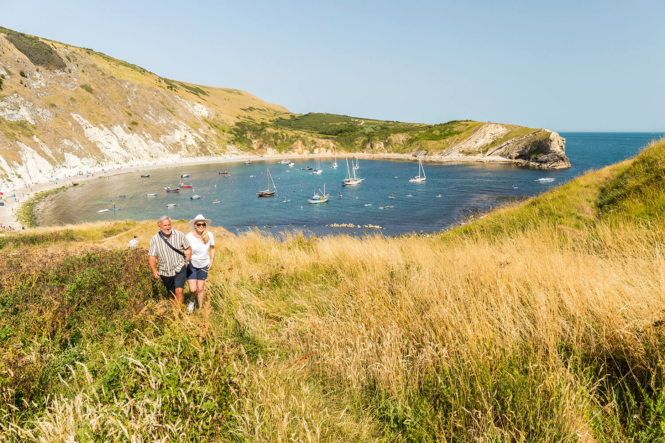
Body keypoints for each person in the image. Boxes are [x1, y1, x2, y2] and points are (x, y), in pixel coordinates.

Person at [148, 216, 191, 304]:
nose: (168, 227)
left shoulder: (179, 235)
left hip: (180, 267)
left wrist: (186, 262)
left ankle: (179, 313)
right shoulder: (155, 239)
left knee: (179, 291)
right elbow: (152, 256)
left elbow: (189, 248)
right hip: (165, 271)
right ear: (159, 226)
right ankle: (174, 310)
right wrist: (154, 270)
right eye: (165, 225)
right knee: (171, 294)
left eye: (169, 225)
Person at [185, 214, 215, 313]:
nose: (201, 226)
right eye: (199, 224)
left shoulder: (209, 235)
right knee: (193, 289)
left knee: (200, 287)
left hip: (204, 264)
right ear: (194, 225)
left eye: (203, 224)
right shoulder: (188, 236)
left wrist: (212, 260)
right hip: (192, 264)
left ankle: (201, 308)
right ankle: (192, 301)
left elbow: (212, 247)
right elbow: (184, 249)